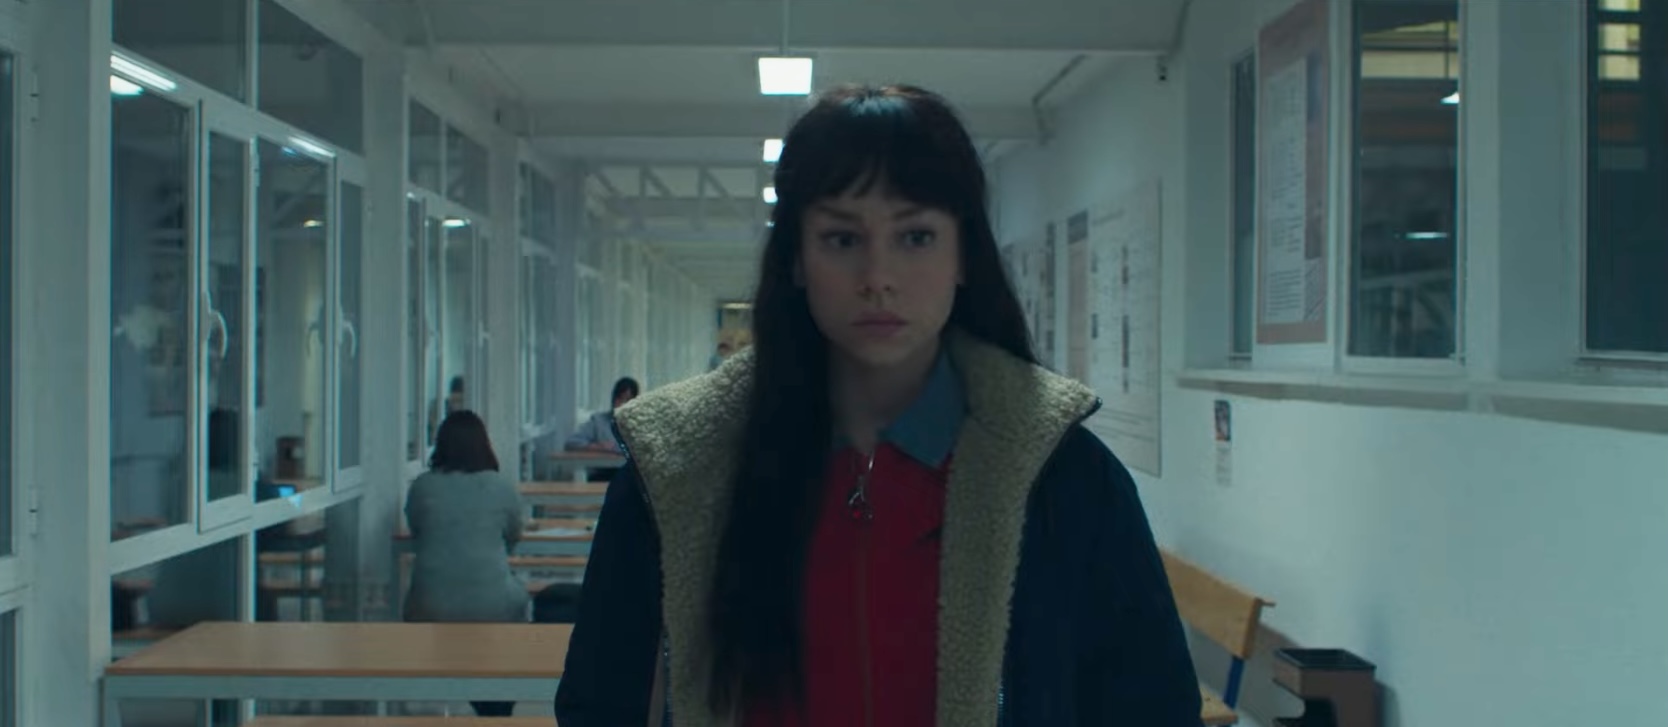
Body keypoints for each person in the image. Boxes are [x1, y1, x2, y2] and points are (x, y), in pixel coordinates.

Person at [555, 85, 1201, 727]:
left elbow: (1154, 709)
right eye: (842, 239)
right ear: (797, 260)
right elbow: (599, 706)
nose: (878, 277)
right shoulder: (677, 470)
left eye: (915, 236)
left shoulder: (1062, 476)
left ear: (963, 256)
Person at [404, 410, 529, 718]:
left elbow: (417, 532)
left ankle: (478, 695)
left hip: (429, 606)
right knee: (517, 596)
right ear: (484, 445)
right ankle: (494, 704)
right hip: (492, 606)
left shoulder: (422, 487)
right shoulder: (501, 487)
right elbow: (513, 538)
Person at [564, 377, 638, 482]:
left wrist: (614, 447)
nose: (622, 404)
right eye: (619, 398)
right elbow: (571, 442)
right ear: (613, 399)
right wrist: (595, 446)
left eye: (627, 400)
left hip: (628, 476)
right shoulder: (598, 421)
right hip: (601, 475)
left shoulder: (639, 424)